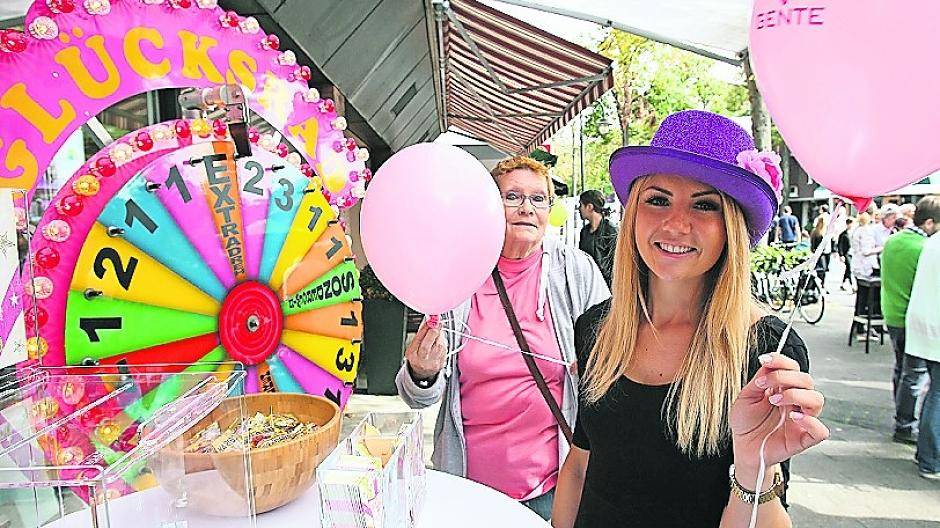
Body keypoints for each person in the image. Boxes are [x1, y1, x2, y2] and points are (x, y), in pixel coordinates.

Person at [552, 111, 828, 528]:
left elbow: (767, 512)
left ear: (732, 226)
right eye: (658, 199)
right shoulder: (596, 329)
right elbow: (580, 464)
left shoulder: (767, 349)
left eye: (704, 205)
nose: (676, 224)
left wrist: (754, 467)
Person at [396, 156, 610, 520]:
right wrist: (421, 372)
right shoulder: (458, 276)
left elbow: (613, 352)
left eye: (538, 198)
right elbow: (418, 397)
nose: (527, 208)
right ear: (490, 207)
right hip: (468, 491)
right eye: (512, 197)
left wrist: (595, 365)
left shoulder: (575, 270)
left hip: (553, 488)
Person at [881, 196, 940, 445]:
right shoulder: (925, 248)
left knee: (903, 372)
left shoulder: (893, 240)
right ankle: (905, 424)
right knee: (915, 376)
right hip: (914, 318)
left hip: (892, 312)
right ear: (929, 223)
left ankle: (902, 419)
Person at [905, 212, 940, 480]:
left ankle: (925, 451)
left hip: (923, 326)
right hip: (934, 328)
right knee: (936, 395)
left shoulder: (931, 243)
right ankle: (930, 457)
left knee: (929, 390)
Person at [849, 212, 882, 340]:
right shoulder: (866, 231)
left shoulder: (857, 229)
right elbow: (866, 251)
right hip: (866, 268)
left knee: (861, 299)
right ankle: (862, 329)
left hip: (858, 267)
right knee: (866, 299)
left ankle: (859, 327)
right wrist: (882, 248)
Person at [578, 190, 618, 287]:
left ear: (589, 207)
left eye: (581, 205)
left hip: (607, 287)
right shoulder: (584, 232)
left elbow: (616, 264)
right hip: (588, 286)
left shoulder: (611, 230)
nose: (579, 209)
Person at [809, 214, 830, 284]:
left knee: (820, 268)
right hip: (821, 253)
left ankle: (819, 282)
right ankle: (821, 282)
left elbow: (812, 242)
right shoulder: (821, 232)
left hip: (819, 252)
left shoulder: (816, 231)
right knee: (822, 268)